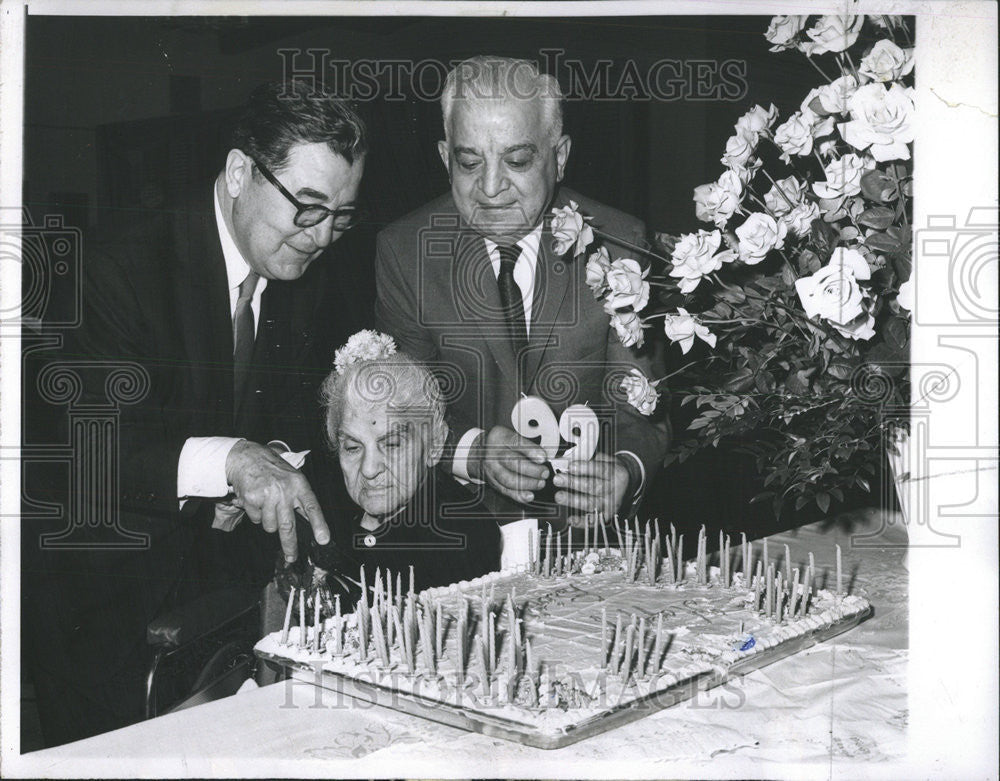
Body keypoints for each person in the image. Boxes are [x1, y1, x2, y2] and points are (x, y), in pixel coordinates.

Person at [22, 80, 369, 747]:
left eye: (341, 216)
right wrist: (229, 460)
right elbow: (89, 444)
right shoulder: (119, 264)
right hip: (104, 612)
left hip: (222, 609)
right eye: (309, 207)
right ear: (241, 172)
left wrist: (270, 458)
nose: (324, 235)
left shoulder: (303, 271)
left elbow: (293, 416)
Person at [375, 56, 669, 556]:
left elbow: (644, 408)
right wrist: (470, 451)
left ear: (560, 156)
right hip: (455, 541)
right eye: (469, 163)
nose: (490, 188)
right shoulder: (405, 251)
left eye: (517, 161)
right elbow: (397, 413)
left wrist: (624, 469)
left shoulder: (621, 246)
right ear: (445, 155)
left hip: (588, 543)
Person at [279, 331, 501, 604]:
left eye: (392, 444)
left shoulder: (464, 533)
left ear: (434, 444)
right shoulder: (320, 495)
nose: (369, 469)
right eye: (352, 448)